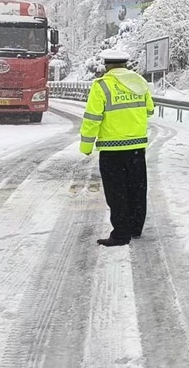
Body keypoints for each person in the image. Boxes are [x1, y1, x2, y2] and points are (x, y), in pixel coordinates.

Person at [80, 49, 155, 246]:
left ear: (107, 66)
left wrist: (86, 146)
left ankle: (121, 234)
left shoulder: (102, 85)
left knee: (117, 192)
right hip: (137, 146)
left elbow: (92, 118)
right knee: (137, 189)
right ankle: (135, 228)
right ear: (125, 64)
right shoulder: (140, 82)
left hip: (112, 149)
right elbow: (149, 110)